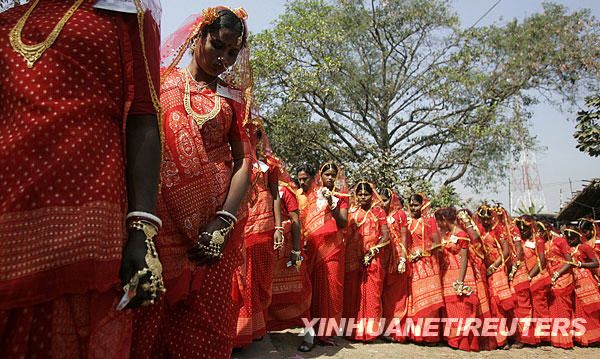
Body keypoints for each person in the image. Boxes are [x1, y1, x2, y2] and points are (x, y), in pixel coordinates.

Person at [0, 1, 162, 357]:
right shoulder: (7, 22)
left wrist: (142, 229)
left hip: (87, 223)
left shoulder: (124, 17)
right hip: (9, 218)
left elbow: (143, 118)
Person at [130, 6, 252, 358]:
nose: (224, 59)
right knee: (151, 320)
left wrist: (223, 223)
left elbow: (245, 162)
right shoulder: (162, 82)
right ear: (199, 35)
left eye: (233, 53)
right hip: (162, 221)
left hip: (215, 231)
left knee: (207, 325)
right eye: (218, 45)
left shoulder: (234, 98)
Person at [235, 122, 283, 346]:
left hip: (264, 223)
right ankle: (242, 330)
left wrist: (278, 227)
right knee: (242, 275)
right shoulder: (235, 158)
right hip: (242, 220)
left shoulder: (270, 165)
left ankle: (258, 326)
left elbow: (276, 195)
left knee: (260, 277)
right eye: (247, 134)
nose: (252, 138)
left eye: (255, 134)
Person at [298, 161, 349, 351]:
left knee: (331, 292)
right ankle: (309, 335)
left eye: (333, 175)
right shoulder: (312, 195)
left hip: (332, 250)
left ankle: (326, 334)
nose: (330, 177)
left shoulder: (342, 196)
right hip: (312, 250)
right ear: (320, 176)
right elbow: (303, 219)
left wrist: (332, 204)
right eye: (326, 174)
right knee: (311, 293)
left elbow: (343, 223)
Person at [343, 181, 390, 342]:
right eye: (360, 194)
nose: (363, 197)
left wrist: (373, 251)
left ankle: (369, 333)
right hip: (352, 258)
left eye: (366, 194)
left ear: (372, 195)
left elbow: (386, 237)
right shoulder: (351, 212)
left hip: (373, 259)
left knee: (372, 295)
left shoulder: (379, 212)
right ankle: (351, 331)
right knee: (352, 294)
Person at [267, 167, 311, 332]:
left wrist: (296, 252)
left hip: (288, 247)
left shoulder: (284, 191)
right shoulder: (259, 189)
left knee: (298, 290)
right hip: (270, 248)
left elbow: (295, 220)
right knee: (268, 289)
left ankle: (308, 332)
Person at [435, 207, 480, 351]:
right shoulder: (447, 235)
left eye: (439, 221)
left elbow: (465, 258)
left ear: (444, 220)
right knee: (450, 307)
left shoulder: (461, 235)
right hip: (447, 274)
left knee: (461, 307)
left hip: (461, 273)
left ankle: (462, 340)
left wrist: (460, 280)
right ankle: (452, 339)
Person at [406, 193, 444, 344]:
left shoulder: (429, 222)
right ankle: (416, 335)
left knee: (429, 300)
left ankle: (430, 336)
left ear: (422, 205)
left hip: (427, 264)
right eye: (411, 205)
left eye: (416, 205)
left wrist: (422, 251)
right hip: (412, 264)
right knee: (415, 300)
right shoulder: (407, 222)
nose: (413, 208)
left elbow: (437, 243)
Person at [473, 205, 513, 348]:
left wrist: (494, 266)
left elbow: (506, 251)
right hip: (484, 270)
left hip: (497, 269)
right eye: (483, 219)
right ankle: (492, 338)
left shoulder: (498, 230)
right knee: (487, 305)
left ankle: (503, 338)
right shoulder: (478, 230)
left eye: (488, 219)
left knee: (498, 304)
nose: (485, 222)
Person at [380, 188, 409, 343]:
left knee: (398, 297)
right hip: (386, 259)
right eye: (380, 200)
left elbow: (404, 238)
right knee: (387, 297)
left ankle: (397, 332)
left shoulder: (400, 215)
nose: (381, 203)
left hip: (398, 259)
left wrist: (403, 259)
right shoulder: (382, 215)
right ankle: (385, 329)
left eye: (385, 200)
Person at [515, 217, 551, 344]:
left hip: (537, 277)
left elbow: (542, 260)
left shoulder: (538, 241)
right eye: (521, 228)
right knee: (525, 307)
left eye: (526, 228)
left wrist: (529, 276)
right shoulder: (519, 241)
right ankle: (528, 336)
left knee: (539, 307)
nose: (523, 231)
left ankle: (544, 337)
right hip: (524, 278)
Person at [563, 227, 600, 347]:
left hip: (585, 280)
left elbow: (595, 263)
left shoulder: (585, 247)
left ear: (578, 237)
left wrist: (580, 264)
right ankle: (582, 337)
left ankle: (594, 337)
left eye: (572, 238)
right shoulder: (568, 249)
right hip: (573, 280)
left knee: (589, 309)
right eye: (568, 238)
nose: (570, 240)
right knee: (577, 308)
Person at [545, 223, 575, 348]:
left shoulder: (560, 241)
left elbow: (570, 261)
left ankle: (565, 339)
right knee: (554, 308)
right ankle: (556, 339)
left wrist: (557, 274)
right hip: (552, 278)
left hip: (563, 277)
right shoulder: (545, 243)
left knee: (563, 308)